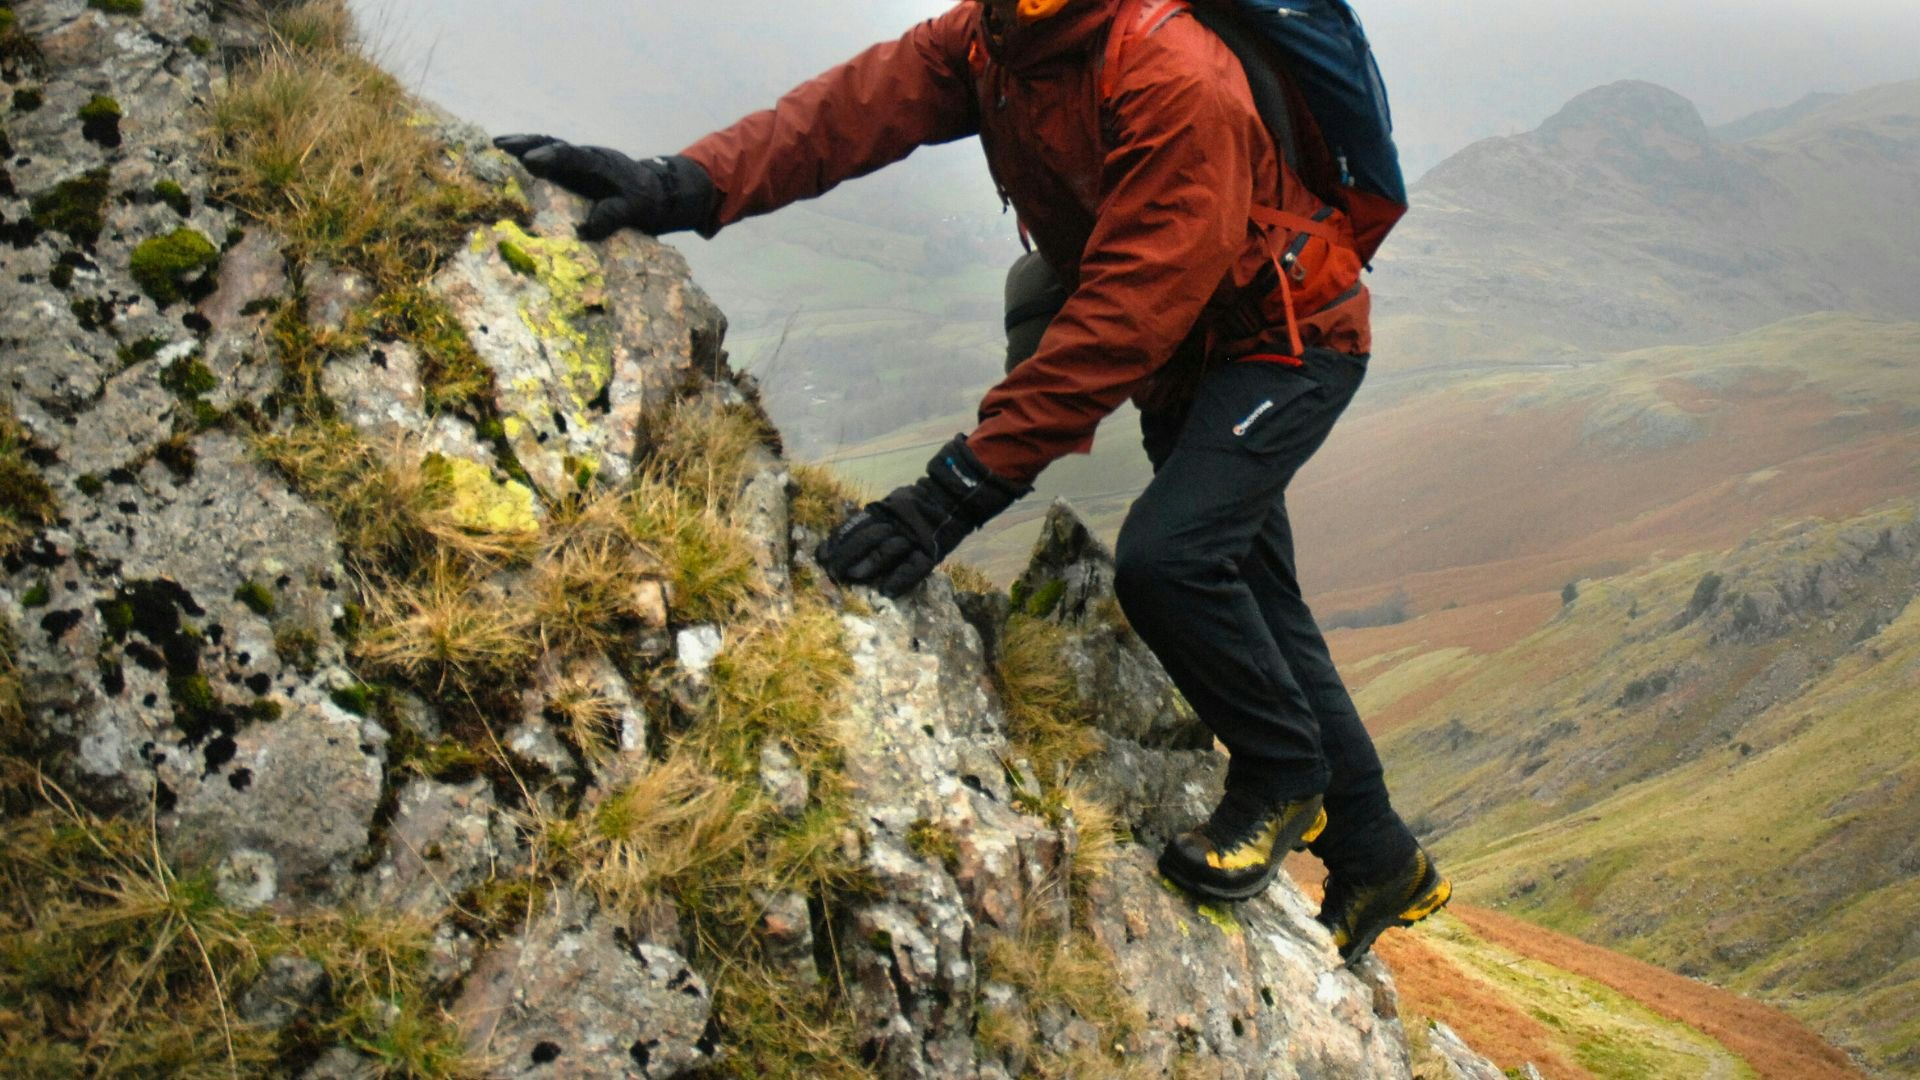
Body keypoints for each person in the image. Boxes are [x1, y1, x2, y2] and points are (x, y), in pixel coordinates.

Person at [495, 0, 1447, 966]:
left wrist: (959, 489)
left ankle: (1283, 775)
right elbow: (846, 113)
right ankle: (1379, 855)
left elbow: (1125, 313)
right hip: (1198, 345)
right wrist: (683, 184)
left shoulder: (1173, 73)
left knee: (1171, 562)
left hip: (1287, 341)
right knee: (1248, 591)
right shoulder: (996, 38)